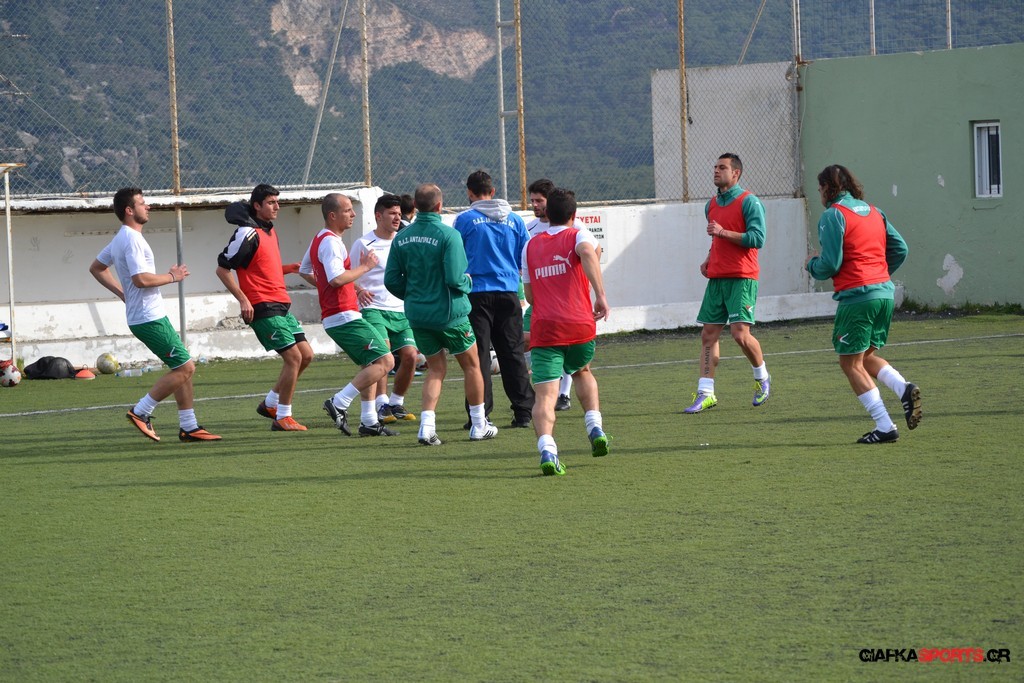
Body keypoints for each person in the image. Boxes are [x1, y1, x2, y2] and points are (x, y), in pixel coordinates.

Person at [89, 187, 221, 443]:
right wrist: (173, 276)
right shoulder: (132, 240)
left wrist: (122, 293)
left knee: (181, 365)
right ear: (129, 210)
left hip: (149, 315)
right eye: (142, 203)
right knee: (186, 368)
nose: (148, 206)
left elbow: (97, 267)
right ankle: (141, 411)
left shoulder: (121, 238)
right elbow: (140, 279)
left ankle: (189, 427)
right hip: (148, 318)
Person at [806, 164, 921, 444]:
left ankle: (885, 426)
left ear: (828, 188)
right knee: (864, 357)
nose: (819, 194)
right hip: (883, 294)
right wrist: (877, 274)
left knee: (849, 363)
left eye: (820, 188)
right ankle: (903, 388)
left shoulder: (833, 215)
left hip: (858, 297)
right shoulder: (874, 211)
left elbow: (830, 263)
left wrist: (811, 264)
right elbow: (901, 249)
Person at [384, 183, 498, 445]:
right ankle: (479, 424)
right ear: (439, 205)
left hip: (418, 316)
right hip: (450, 315)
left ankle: (427, 428)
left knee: (435, 369)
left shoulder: (402, 237)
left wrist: (414, 296)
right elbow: (455, 278)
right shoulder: (449, 235)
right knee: (472, 366)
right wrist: (468, 283)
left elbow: (391, 280)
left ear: (414, 206)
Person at [522, 188, 609, 476]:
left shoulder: (530, 245)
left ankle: (548, 450)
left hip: (545, 327)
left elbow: (530, 297)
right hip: (579, 323)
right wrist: (600, 295)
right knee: (583, 371)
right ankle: (594, 427)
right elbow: (589, 252)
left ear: (547, 214)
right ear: (574, 214)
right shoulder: (578, 235)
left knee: (545, 395)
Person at [216, 184, 314, 431]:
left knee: (306, 355)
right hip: (262, 305)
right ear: (257, 206)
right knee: (294, 358)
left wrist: (289, 268)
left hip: (280, 304)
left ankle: (270, 404)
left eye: (277, 202)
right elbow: (222, 269)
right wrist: (243, 299)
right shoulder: (247, 233)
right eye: (271, 202)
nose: (277, 207)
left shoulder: (270, 231)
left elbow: (263, 269)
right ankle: (283, 417)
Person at [299, 193, 397, 437]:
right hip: (343, 315)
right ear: (333, 215)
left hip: (341, 314)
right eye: (347, 210)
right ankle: (339, 402)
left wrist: (328, 287)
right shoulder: (331, 243)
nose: (353, 214)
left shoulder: (320, 238)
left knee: (370, 363)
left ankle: (369, 421)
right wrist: (364, 267)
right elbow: (335, 279)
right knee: (386, 362)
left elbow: (305, 270)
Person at [684, 153, 771, 414]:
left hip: (742, 277)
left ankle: (762, 377)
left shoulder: (749, 202)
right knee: (708, 335)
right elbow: (716, 239)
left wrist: (723, 232)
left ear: (736, 173)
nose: (716, 171)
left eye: (722, 167)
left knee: (739, 334)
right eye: (715, 167)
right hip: (717, 278)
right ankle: (706, 393)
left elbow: (757, 238)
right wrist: (708, 259)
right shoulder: (711, 205)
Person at [453, 169, 535, 429]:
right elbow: (525, 255)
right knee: (513, 354)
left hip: (476, 294)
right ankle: (524, 412)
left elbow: (455, 255)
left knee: (478, 357)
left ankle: (479, 415)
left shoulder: (464, 219)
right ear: (493, 191)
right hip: (508, 292)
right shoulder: (515, 219)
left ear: (469, 192)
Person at [350, 193, 419, 425]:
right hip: (373, 308)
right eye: (392, 213)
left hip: (401, 308)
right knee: (383, 354)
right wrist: (359, 289)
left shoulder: (404, 241)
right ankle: (381, 405)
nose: (397, 218)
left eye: (399, 213)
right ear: (378, 216)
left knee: (410, 356)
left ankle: (396, 402)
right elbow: (348, 275)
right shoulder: (363, 244)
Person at [525, 177, 577, 412]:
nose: (535, 205)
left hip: (567, 302)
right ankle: (540, 389)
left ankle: (563, 394)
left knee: (567, 347)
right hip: (538, 300)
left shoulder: (573, 229)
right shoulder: (529, 230)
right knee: (525, 339)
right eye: (532, 200)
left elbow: (590, 254)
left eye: (539, 201)